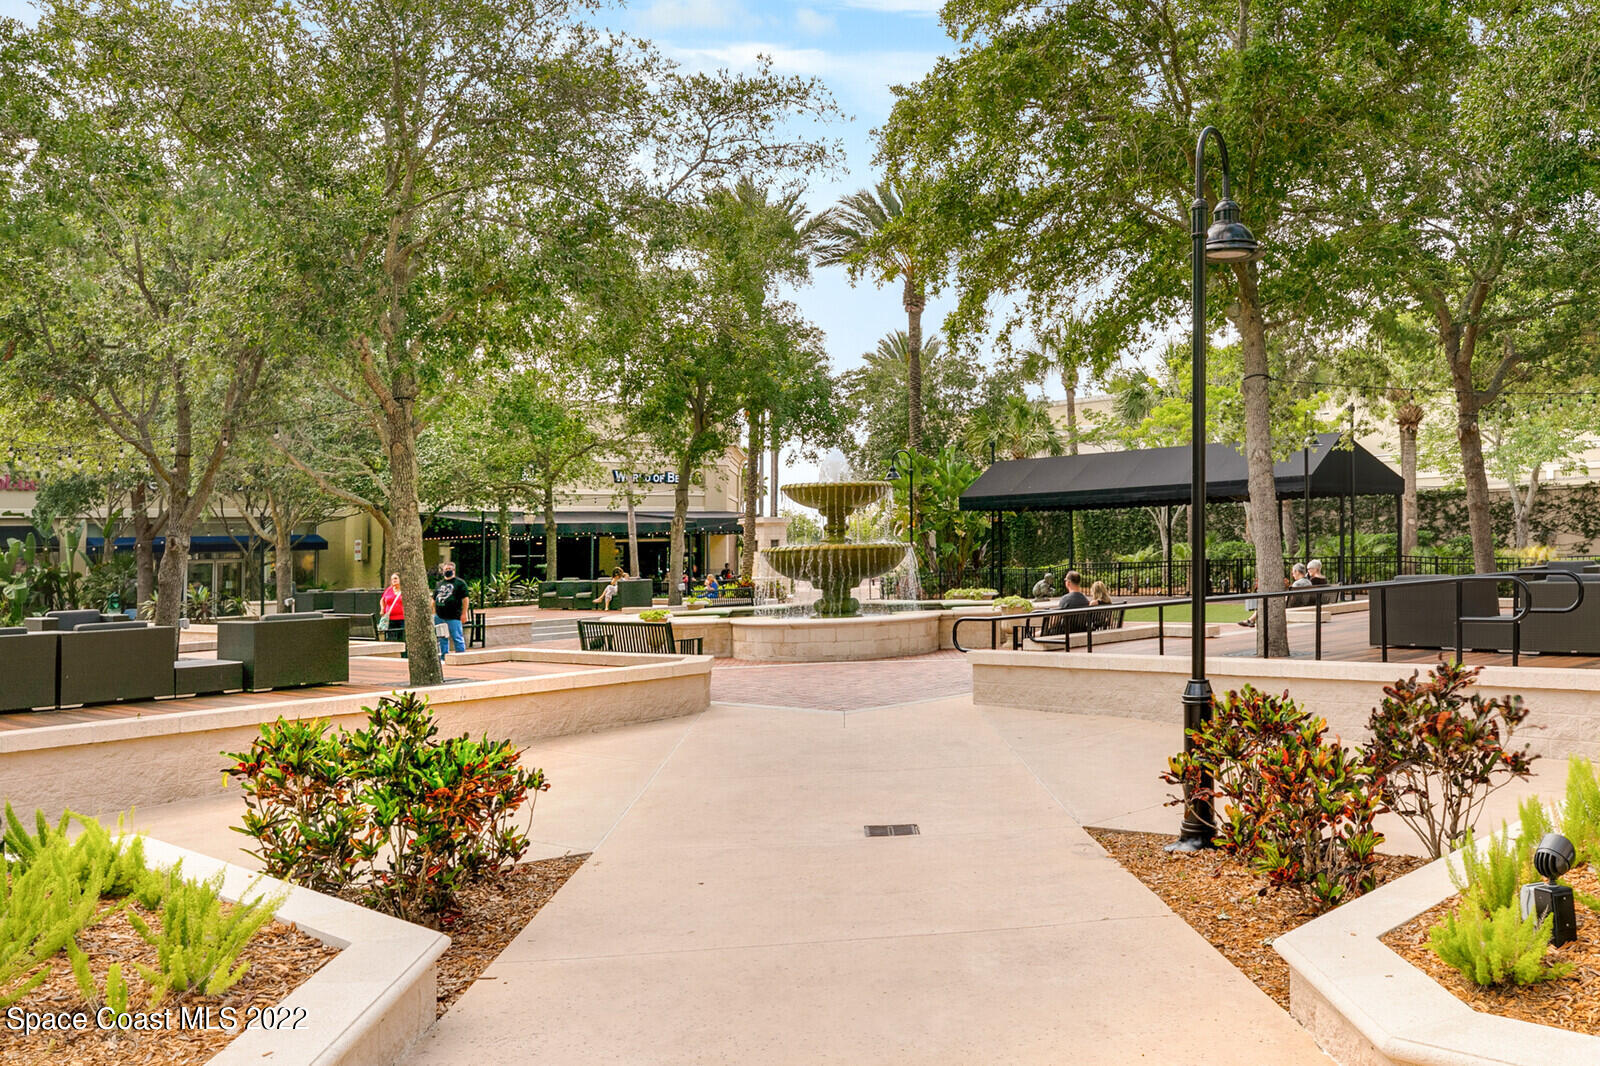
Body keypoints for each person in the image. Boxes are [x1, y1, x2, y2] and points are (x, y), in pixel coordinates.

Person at [432, 561, 470, 662]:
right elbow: (433, 599)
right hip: (440, 616)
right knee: (442, 638)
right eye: (445, 570)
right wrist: (433, 612)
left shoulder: (460, 583)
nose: (447, 571)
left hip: (454, 616)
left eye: (449, 569)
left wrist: (464, 613)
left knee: (457, 637)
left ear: (453, 570)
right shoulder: (439, 584)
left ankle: (461, 657)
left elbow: (465, 599)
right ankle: (444, 657)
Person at [379, 572, 405, 643]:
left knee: (402, 639)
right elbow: (382, 600)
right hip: (390, 619)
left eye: (396, 578)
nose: (394, 580)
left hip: (402, 619)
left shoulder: (405, 590)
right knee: (390, 639)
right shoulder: (388, 590)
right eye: (392, 579)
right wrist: (382, 609)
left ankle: (403, 654)